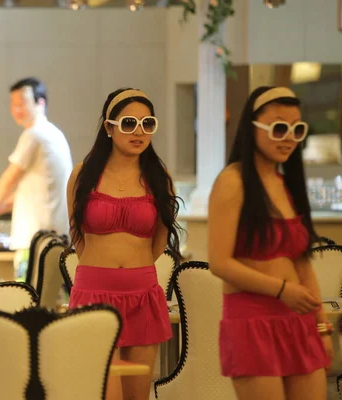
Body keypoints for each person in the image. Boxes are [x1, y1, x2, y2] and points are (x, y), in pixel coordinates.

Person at [208, 86, 332, 400]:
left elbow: (301, 263)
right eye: (279, 128)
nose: (289, 137)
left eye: (296, 129)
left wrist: (321, 324)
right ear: (253, 128)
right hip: (252, 323)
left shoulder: (286, 185)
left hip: (300, 322)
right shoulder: (232, 182)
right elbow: (220, 263)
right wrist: (280, 290)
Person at [67, 88, 182, 400]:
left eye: (148, 124)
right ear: (109, 127)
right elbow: (76, 234)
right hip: (93, 291)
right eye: (129, 123)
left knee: (137, 394)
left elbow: (159, 239)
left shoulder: (159, 177)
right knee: (103, 392)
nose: (139, 132)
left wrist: (133, 268)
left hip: (142, 293)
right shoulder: (84, 174)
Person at [0, 78, 73, 279]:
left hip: (35, 241)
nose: (17, 110)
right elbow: (37, 190)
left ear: (40, 103)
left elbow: (10, 176)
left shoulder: (34, 134)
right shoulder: (54, 134)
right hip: (56, 238)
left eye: (22, 104)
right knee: (53, 300)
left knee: (30, 300)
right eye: (13, 105)